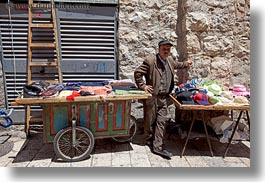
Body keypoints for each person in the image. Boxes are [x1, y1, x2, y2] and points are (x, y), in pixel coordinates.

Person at [134, 39, 192, 159]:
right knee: (149, 122)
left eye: (168, 49)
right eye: (164, 49)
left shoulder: (170, 60)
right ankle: (148, 140)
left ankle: (157, 147)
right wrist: (143, 86)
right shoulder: (151, 61)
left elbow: (178, 65)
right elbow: (138, 72)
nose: (166, 51)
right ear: (159, 49)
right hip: (153, 98)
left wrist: (186, 63)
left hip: (164, 98)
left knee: (161, 122)